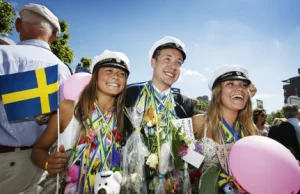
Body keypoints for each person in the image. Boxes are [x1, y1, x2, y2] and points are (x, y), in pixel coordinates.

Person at [31, 50, 130, 193]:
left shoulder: (125, 117)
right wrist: (48, 162)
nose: (116, 76)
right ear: (95, 77)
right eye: (109, 70)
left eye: (122, 74)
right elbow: (38, 151)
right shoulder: (69, 108)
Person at [0, 3, 71, 193]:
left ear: (17, 25)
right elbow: (62, 122)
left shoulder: (2, 55)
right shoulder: (62, 69)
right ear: (54, 35)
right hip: (28, 163)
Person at [123, 36, 201, 193]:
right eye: (167, 59)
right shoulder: (130, 94)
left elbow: (186, 146)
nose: (173, 66)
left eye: (178, 63)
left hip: (170, 185)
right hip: (134, 181)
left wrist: (196, 161)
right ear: (153, 63)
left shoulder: (185, 103)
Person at [193, 65, 258, 194]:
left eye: (244, 85)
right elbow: (183, 165)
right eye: (230, 84)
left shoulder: (252, 130)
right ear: (218, 92)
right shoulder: (200, 122)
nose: (239, 88)